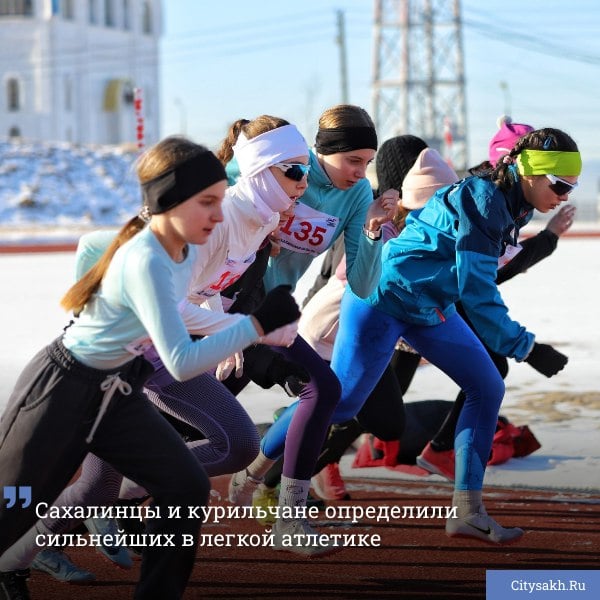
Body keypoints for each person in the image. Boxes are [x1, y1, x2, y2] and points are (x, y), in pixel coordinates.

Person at [0, 136, 300, 599]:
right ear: (168, 201)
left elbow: (186, 312)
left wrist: (245, 325)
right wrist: (255, 325)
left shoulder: (178, 250)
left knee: (184, 487)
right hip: (63, 387)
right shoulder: (145, 258)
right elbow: (180, 362)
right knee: (14, 505)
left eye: (221, 201)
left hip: (119, 393)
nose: (219, 216)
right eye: (208, 203)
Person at [328, 127, 580, 545]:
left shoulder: (516, 203)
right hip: (382, 299)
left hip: (428, 307)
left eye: (572, 188)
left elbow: (480, 280)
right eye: (560, 184)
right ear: (529, 172)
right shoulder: (486, 201)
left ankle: (467, 511)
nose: (565, 195)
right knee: (340, 403)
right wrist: (527, 346)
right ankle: (260, 470)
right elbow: (479, 292)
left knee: (486, 385)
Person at [224, 104, 398, 555]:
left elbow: (361, 282)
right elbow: (210, 213)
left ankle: (288, 515)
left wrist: (376, 232)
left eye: (368, 162)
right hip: (222, 309)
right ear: (324, 152)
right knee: (183, 422)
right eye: (353, 161)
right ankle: (93, 500)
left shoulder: (357, 195)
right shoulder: (282, 168)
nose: (362, 173)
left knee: (322, 389)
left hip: (274, 316)